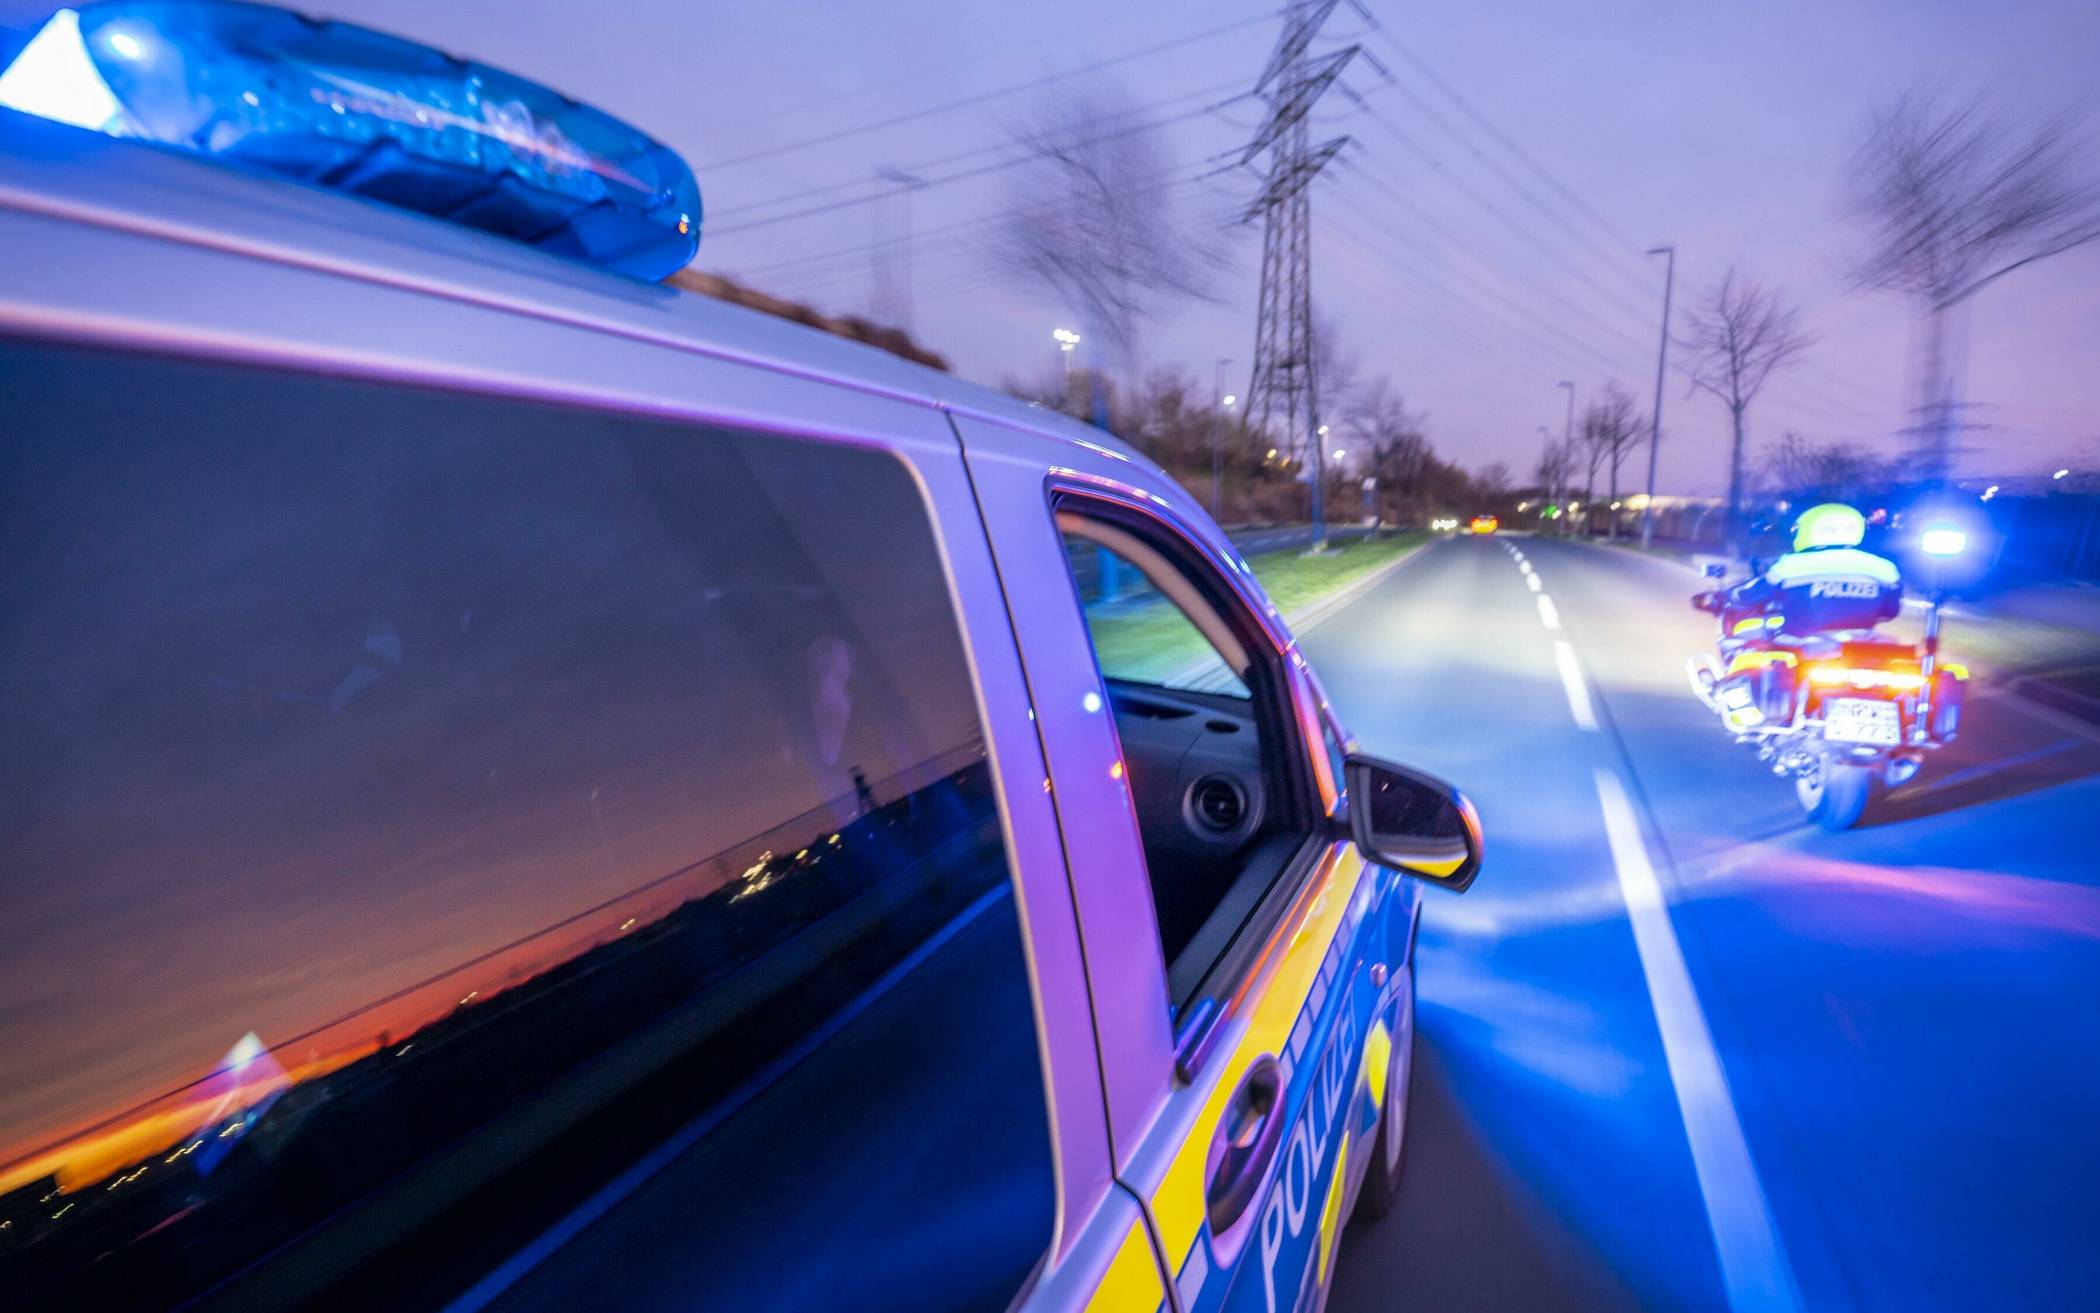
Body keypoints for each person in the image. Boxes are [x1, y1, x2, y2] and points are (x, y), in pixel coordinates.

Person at [1718, 502, 1902, 650]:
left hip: (1799, 643)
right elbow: (1890, 611)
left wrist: (1724, 597)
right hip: (1858, 645)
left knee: (1740, 644)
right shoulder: (1886, 569)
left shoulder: (1791, 565)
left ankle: (1741, 693)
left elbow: (1749, 595)